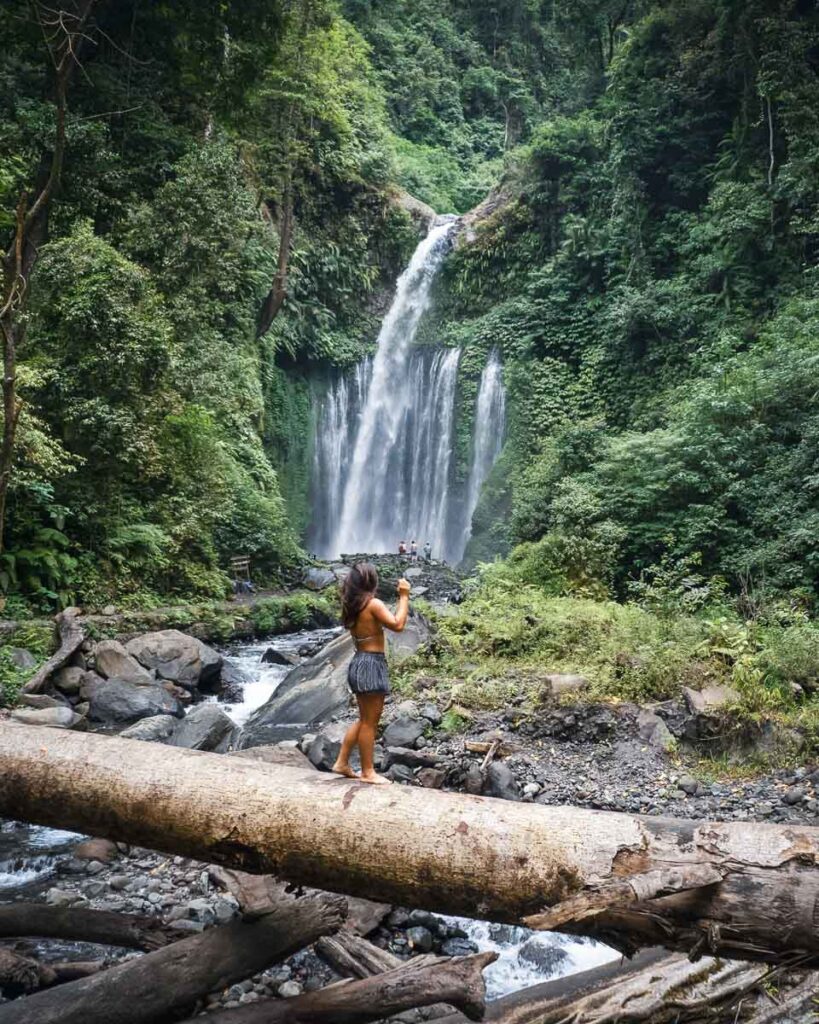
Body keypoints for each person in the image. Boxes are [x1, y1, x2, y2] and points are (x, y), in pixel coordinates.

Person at [332, 563, 410, 785]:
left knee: (364, 719)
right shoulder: (373, 604)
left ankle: (342, 762)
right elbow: (398, 624)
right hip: (371, 663)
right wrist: (404, 596)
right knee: (370, 723)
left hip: (359, 661)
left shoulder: (354, 605)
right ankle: (368, 771)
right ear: (372, 582)